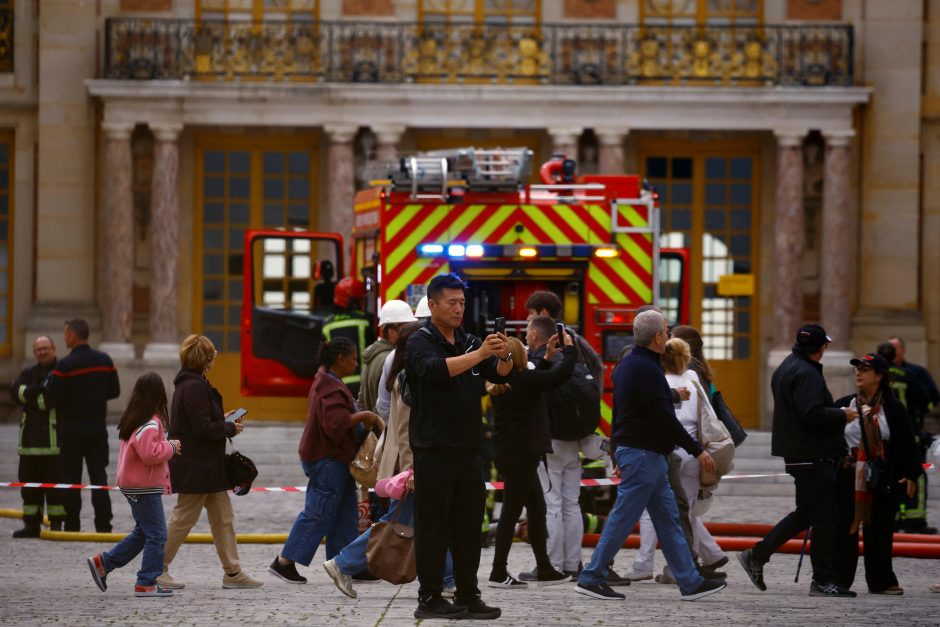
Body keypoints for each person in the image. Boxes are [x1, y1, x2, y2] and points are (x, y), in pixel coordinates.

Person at [574, 310, 724, 602]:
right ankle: (591, 576)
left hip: (646, 455)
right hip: (644, 456)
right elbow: (665, 418)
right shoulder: (648, 370)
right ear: (657, 337)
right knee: (622, 518)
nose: (669, 335)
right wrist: (699, 450)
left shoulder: (630, 365)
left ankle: (690, 581)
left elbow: (620, 414)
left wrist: (618, 452)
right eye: (667, 330)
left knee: (668, 519)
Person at [405, 273, 512, 620]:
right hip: (433, 448)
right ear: (432, 304)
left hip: (468, 449)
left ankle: (468, 594)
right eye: (451, 302)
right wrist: (480, 353)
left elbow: (499, 374)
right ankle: (430, 597)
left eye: (462, 302)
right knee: (433, 527)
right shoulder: (418, 341)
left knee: (468, 528)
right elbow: (434, 371)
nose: (458, 308)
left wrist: (506, 355)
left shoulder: (468, 339)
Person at [323, 323, 457, 598]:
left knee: (424, 519)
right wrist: (411, 472)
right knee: (401, 521)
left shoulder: (403, 376)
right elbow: (407, 431)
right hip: (412, 466)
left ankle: (448, 579)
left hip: (409, 464)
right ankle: (343, 562)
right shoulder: (410, 380)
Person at [738, 323, 858, 597]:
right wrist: (842, 415)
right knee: (827, 516)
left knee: (807, 513)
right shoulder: (807, 373)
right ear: (821, 347)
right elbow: (810, 414)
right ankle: (823, 580)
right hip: (811, 454)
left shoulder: (788, 366)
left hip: (798, 453)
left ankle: (757, 555)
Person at [521, 290, 620, 583]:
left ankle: (550, 564)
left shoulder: (542, 355)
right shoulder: (575, 344)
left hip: (551, 441)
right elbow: (597, 367)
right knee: (570, 503)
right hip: (576, 436)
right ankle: (573, 564)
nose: (527, 323)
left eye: (529, 317)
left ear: (541, 314)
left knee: (551, 503)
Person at [269, 337, 384, 584]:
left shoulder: (329, 380)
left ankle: (345, 564)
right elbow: (335, 424)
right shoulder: (328, 386)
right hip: (327, 460)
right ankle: (284, 562)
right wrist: (365, 415)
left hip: (336, 459)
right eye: (353, 358)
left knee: (346, 514)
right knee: (318, 512)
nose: (355, 363)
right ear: (340, 360)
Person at [157, 335, 263, 590]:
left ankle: (233, 573)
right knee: (182, 519)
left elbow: (201, 420)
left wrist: (223, 418)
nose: (215, 357)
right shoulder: (193, 386)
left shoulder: (193, 384)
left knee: (224, 518)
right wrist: (229, 427)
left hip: (208, 467)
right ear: (204, 358)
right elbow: (202, 428)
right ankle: (155, 569)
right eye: (211, 354)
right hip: (198, 467)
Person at [628, 338, 728, 584]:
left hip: (667, 450)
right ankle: (682, 568)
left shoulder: (657, 380)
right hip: (694, 453)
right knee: (688, 513)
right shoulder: (693, 379)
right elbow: (708, 415)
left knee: (652, 512)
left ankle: (643, 562)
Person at [487, 322, 575, 588]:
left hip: (511, 453)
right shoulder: (523, 379)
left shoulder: (507, 381)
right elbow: (558, 377)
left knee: (537, 508)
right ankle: (498, 572)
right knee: (511, 513)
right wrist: (569, 351)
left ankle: (545, 568)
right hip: (522, 455)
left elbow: (539, 380)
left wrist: (547, 357)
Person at [832, 353, 922, 594]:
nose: (858, 373)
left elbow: (905, 442)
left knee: (880, 529)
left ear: (880, 376)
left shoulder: (893, 408)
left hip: (882, 476)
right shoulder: (845, 403)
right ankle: (840, 580)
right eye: (857, 369)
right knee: (845, 528)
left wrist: (911, 474)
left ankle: (881, 580)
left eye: (865, 369)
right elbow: (827, 436)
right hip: (848, 475)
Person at [86, 372, 182, 597]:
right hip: (144, 486)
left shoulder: (134, 417)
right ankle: (146, 582)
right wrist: (170, 447)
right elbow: (150, 454)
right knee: (158, 535)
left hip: (133, 484)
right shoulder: (152, 421)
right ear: (159, 395)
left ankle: (104, 563)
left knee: (143, 532)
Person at [46, 319, 120, 532]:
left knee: (71, 479)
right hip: (97, 429)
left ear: (73, 335)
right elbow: (114, 391)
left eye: (65, 334)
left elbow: (52, 398)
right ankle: (104, 525)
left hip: (70, 431)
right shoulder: (104, 360)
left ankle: (72, 525)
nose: (64, 338)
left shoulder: (65, 365)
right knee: (99, 478)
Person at [10, 335, 65, 537]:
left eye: (45, 348)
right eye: (38, 349)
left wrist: (29, 397)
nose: (42, 352)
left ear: (54, 348)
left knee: (55, 488)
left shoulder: (60, 371)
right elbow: (14, 392)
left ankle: (57, 523)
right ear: (34, 353)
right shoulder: (29, 372)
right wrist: (34, 392)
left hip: (52, 444)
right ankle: (31, 525)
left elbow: (51, 400)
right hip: (28, 444)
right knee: (29, 487)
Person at [886, 337, 937, 534]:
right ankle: (900, 517)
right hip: (896, 436)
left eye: (895, 348)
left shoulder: (916, 372)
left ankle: (913, 518)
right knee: (896, 475)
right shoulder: (897, 374)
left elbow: (930, 398)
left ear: (903, 350)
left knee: (914, 474)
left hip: (909, 435)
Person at [358, 299, 416, 414]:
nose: (411, 333)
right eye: (406, 328)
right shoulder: (390, 359)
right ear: (391, 332)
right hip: (385, 427)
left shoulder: (371, 355)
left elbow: (361, 400)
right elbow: (384, 405)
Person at [322, 277, 376, 397]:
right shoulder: (366, 320)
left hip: (335, 384)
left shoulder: (327, 324)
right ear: (354, 301)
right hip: (362, 384)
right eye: (360, 300)